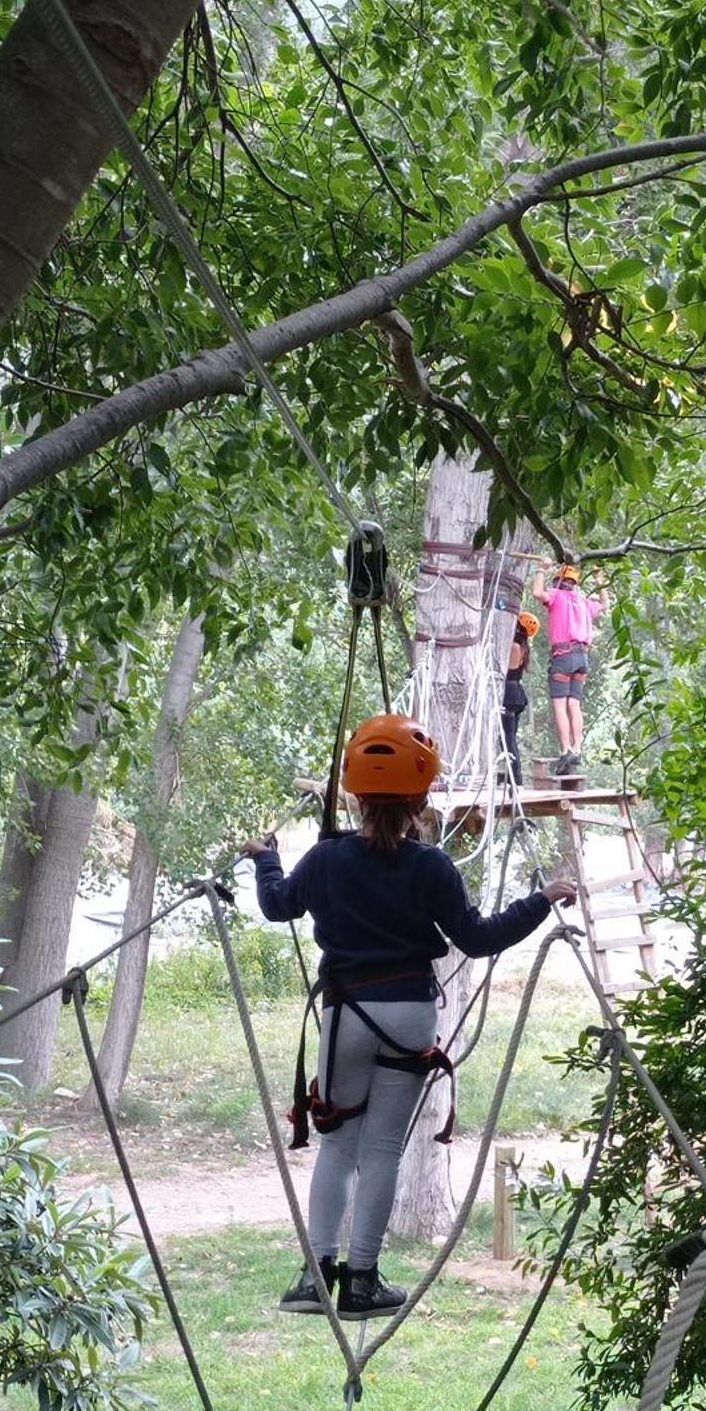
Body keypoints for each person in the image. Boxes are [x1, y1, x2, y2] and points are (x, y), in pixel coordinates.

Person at [242, 714, 575, 1321]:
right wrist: (540, 902)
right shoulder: (431, 867)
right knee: (385, 1149)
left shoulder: (324, 859)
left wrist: (265, 859)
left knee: (337, 1146)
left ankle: (318, 1278)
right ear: (423, 795)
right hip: (408, 1018)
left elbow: (276, 905)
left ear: (354, 791)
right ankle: (363, 1283)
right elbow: (476, 938)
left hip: (347, 1014)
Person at [531, 563, 607, 775]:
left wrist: (540, 569)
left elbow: (538, 592)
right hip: (582, 657)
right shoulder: (584, 601)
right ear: (574, 583)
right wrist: (600, 581)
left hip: (563, 657)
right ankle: (578, 748)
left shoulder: (556, 596)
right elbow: (605, 604)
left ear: (559, 582)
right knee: (574, 704)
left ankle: (566, 749)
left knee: (560, 706)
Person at [501, 609, 539, 787]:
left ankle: (515, 778)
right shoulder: (522, 647)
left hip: (509, 694)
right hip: (516, 693)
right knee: (509, 737)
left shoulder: (514, 646)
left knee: (507, 738)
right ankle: (513, 777)